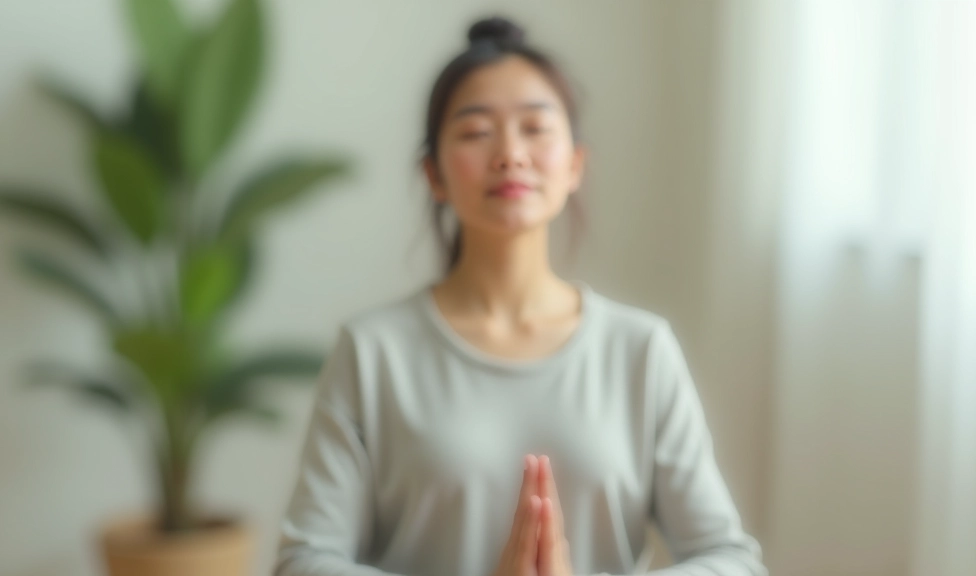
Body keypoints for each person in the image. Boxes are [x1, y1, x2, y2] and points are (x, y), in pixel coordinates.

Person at [273, 16, 766, 576]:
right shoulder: (371, 350)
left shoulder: (640, 349)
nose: (510, 153)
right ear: (433, 174)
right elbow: (304, 561)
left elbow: (730, 560)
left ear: (575, 163)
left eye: (535, 127)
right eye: (477, 132)